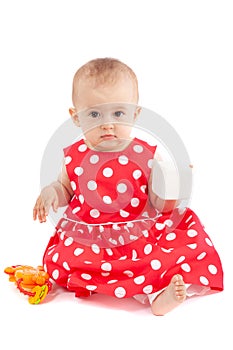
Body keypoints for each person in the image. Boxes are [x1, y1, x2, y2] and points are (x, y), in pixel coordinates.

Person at [33, 58, 223, 315]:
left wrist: (172, 184)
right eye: (94, 114)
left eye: (118, 113)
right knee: (67, 256)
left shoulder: (144, 155)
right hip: (90, 238)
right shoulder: (74, 157)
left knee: (154, 259)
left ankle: (158, 294)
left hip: (138, 234)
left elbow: (159, 203)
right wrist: (50, 192)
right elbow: (64, 189)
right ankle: (107, 282)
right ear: (76, 117)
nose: (107, 124)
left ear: (136, 114)